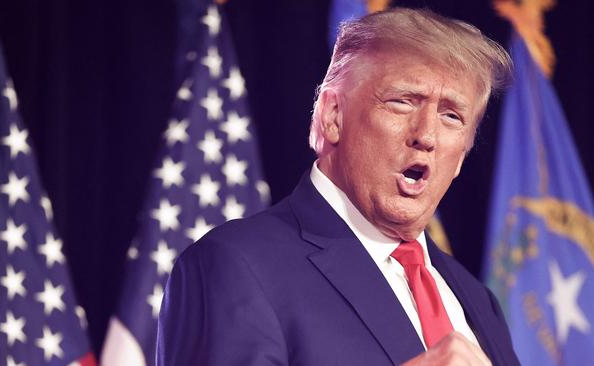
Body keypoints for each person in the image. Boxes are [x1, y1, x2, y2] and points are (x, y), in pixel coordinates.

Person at [157, 8, 519, 366]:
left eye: (451, 116)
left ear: (461, 157)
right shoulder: (234, 265)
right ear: (332, 116)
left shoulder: (477, 301)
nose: (426, 135)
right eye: (403, 102)